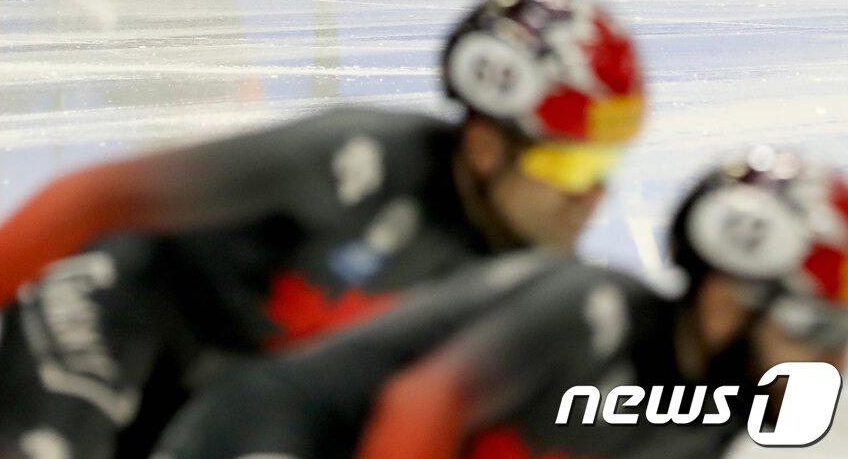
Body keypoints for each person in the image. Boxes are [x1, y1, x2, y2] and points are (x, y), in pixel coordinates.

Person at [0, 0, 646, 457]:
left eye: (605, 167)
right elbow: (92, 198)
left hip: (225, 387)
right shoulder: (355, 160)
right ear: (489, 144)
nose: (591, 197)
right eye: (570, 165)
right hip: (116, 309)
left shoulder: (522, 288)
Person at [151, 145, 848, 459]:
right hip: (267, 431)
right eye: (813, 327)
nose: (836, 361)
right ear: (727, 300)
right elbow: (419, 408)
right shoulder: (588, 305)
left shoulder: (717, 419)